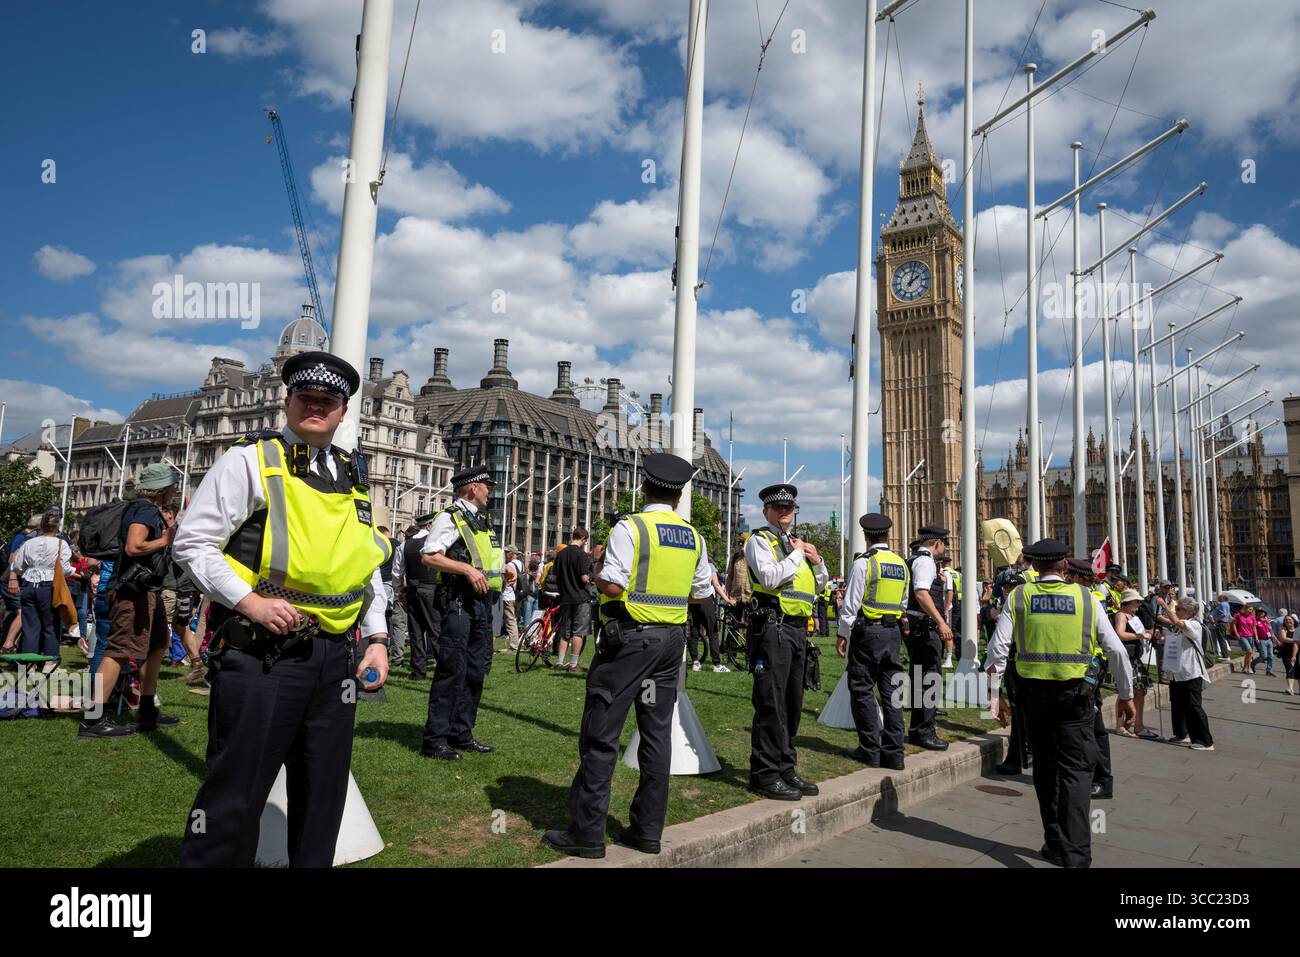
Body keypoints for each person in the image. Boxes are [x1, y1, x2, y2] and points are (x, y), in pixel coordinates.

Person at [173, 350, 391, 866]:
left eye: (329, 400)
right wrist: (250, 602)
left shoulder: (353, 475)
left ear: (342, 411)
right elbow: (193, 544)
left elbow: (367, 565)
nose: (316, 407)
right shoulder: (248, 460)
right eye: (306, 398)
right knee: (235, 794)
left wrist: (377, 637)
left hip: (334, 659)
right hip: (262, 656)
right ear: (287, 402)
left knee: (323, 795)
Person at [542, 453, 712, 859]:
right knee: (656, 737)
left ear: (643, 487)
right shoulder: (693, 536)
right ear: (680, 493)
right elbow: (702, 592)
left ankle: (587, 834)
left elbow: (614, 586)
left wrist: (600, 575)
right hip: (672, 644)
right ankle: (648, 832)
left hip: (631, 643)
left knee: (601, 733)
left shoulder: (630, 527)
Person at [986, 538, 1135, 868]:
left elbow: (997, 651)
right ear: (1064, 566)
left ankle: (1054, 841)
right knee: (1076, 774)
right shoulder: (1085, 598)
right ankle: (1076, 856)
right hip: (1075, 701)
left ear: (1033, 566)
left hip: (1034, 700)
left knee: (1045, 769)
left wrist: (994, 697)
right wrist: (1126, 696)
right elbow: (1116, 651)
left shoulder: (1019, 597)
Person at [78, 465, 182, 738]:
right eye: (172, 485)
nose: (175, 490)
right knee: (119, 651)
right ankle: (92, 719)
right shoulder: (144, 510)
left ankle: (147, 710)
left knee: (158, 644)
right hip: (131, 590)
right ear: (161, 488)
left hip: (147, 589)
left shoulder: (146, 509)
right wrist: (165, 540)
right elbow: (134, 546)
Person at [744, 483, 829, 800]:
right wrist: (796, 554)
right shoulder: (759, 541)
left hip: (796, 631)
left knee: (792, 704)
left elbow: (820, 585)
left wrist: (816, 559)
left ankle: (785, 768)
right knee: (771, 703)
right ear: (766, 510)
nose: (784, 513)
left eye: (789, 508)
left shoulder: (797, 545)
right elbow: (769, 578)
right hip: (772, 628)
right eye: (778, 508)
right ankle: (765, 774)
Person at [419, 465, 503, 760]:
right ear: (472, 488)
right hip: (457, 601)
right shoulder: (450, 517)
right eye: (486, 486)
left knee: (474, 671)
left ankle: (461, 733)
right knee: (452, 670)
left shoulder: (480, 521)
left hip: (480, 603)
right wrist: (465, 569)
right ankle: (436, 738)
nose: (490, 491)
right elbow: (430, 556)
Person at [837, 512, 909, 770]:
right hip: (893, 634)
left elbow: (851, 603)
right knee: (892, 694)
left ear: (866, 537)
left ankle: (870, 750)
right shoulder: (901, 564)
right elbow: (903, 602)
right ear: (887, 535)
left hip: (869, 633)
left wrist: (842, 634)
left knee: (862, 689)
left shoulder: (864, 563)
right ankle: (895, 753)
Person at [1064, 558, 1114, 798]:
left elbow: (1111, 643)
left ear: (1073, 577)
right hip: (1087, 667)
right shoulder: (1092, 597)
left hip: (1089, 670)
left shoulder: (1089, 599)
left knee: (1093, 728)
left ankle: (1101, 779)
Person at [903, 526, 952, 751]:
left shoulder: (915, 560)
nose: (944, 549)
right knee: (929, 679)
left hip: (917, 626)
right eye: (944, 544)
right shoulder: (925, 561)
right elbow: (921, 593)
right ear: (936, 544)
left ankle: (917, 730)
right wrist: (941, 622)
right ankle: (925, 731)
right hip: (925, 627)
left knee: (920, 679)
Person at [6, 511, 74, 660]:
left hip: (29, 584)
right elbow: (66, 569)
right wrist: (76, 571)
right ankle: (50, 661)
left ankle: (29, 664)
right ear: (57, 527)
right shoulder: (60, 544)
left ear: (41, 526)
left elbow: (17, 566)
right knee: (51, 625)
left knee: (30, 626)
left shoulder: (29, 542)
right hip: (49, 585)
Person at [985, 569, 1030, 776]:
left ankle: (1016, 759)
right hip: (1027, 666)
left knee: (1020, 715)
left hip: (1015, 665)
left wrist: (993, 691)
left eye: (1011, 587)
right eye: (1005, 587)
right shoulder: (1018, 606)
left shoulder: (1011, 609)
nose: (1007, 590)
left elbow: (999, 647)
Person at [1155, 594, 1214, 750]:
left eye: (1179, 609)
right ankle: (1182, 734)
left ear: (1188, 611)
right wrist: (1161, 638)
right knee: (1178, 704)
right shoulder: (1181, 626)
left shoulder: (1194, 624)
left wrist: (1165, 606)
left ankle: (1205, 741)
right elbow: (1177, 639)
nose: (1177, 610)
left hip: (1191, 672)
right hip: (1177, 672)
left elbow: (1176, 622)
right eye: (1177, 608)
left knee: (1193, 706)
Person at [1113, 588, 1157, 740]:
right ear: (1127, 601)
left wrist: (1150, 635)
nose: (1139, 603)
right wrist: (1138, 635)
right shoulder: (1121, 615)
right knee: (1125, 691)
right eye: (1136, 601)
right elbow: (1120, 633)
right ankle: (1120, 725)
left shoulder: (1134, 616)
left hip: (1135, 658)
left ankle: (1138, 725)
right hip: (1127, 657)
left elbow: (1142, 633)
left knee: (1140, 691)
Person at [402, 513, 438, 679]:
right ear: (429, 526)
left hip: (412, 589)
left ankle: (418, 671)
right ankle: (443, 666)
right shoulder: (433, 542)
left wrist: (400, 591)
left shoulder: (405, 544)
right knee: (435, 630)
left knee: (416, 632)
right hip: (430, 589)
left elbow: (398, 571)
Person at [552, 528, 592, 673]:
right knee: (578, 632)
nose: (585, 543)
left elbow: (555, 578)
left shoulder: (560, 554)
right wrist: (590, 577)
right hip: (581, 598)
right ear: (583, 539)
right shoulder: (581, 555)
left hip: (565, 597)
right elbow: (584, 578)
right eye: (585, 541)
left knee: (565, 632)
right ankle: (573, 664)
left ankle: (559, 662)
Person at [689, 559, 735, 673]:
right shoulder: (710, 566)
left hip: (692, 600)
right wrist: (727, 599)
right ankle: (716, 664)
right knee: (712, 632)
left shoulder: (691, 564)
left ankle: (695, 662)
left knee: (693, 631)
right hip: (706, 600)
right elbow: (716, 585)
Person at [500, 544, 523, 653]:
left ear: (511, 554)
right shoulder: (521, 564)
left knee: (510, 621)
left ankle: (514, 646)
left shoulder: (510, 565)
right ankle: (516, 643)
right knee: (514, 619)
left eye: (506, 552)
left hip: (508, 595)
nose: (505, 554)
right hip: (517, 595)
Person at [1230, 603, 1258, 674]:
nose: (1250, 611)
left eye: (1252, 610)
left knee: (1248, 653)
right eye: (1249, 609)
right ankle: (1249, 668)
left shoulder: (1252, 617)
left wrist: (1256, 637)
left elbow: (1254, 627)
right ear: (1245, 608)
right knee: (1249, 651)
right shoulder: (1238, 615)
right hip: (1242, 636)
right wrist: (1236, 633)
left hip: (1250, 636)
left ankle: (1244, 668)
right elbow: (1233, 624)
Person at [1277, 615, 1298, 695]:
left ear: (1293, 620)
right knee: (1289, 669)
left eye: (1289, 619)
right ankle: (1290, 688)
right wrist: (1296, 640)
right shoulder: (1283, 629)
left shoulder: (1298, 629)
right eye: (1286, 620)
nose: (1288, 621)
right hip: (1286, 653)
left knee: (1298, 671)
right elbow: (1284, 638)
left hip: (1297, 653)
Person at [1254, 606, 1275, 676]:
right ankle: (1253, 663)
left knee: (1271, 656)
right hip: (1261, 640)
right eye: (1259, 612)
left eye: (1262, 612)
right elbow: (1254, 630)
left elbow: (1270, 630)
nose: (1261, 614)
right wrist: (1256, 638)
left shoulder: (1266, 620)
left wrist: (1268, 622)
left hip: (1269, 640)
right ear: (1257, 613)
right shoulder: (1255, 620)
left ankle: (1269, 671)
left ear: (1264, 613)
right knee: (1264, 656)